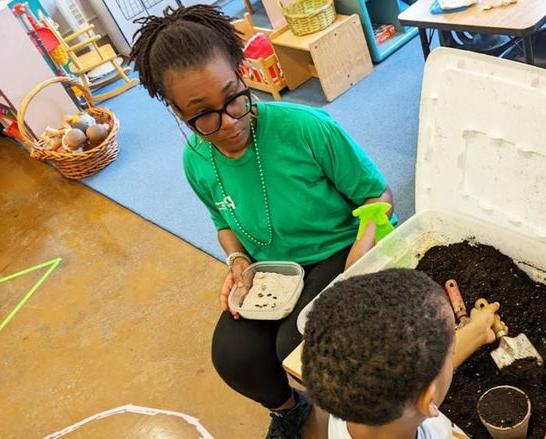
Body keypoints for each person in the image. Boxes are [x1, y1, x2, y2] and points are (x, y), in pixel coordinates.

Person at [129, 5, 393, 438]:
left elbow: (376, 194)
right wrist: (236, 260)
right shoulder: (196, 160)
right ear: (177, 111)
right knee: (234, 356)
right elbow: (223, 220)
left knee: (297, 346)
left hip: (339, 252)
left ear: (241, 72)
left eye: (234, 97)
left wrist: (362, 252)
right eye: (204, 115)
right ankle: (291, 410)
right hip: (272, 270)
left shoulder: (306, 128)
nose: (230, 122)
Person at [302, 269, 546, 439]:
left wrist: (475, 333)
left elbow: (411, 369)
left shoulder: (352, 408)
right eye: (450, 347)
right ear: (427, 400)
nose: (453, 347)